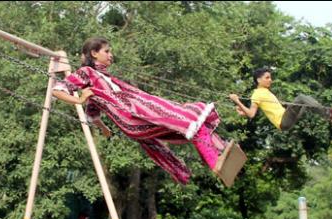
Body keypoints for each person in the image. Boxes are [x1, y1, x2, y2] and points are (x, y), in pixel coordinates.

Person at [53, 37, 237, 186]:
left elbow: (94, 109)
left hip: (133, 120)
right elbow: (58, 88)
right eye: (107, 51)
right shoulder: (86, 72)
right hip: (133, 117)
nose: (111, 55)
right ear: (94, 53)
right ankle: (215, 160)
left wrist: (103, 128)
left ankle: (218, 154)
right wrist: (78, 99)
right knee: (188, 116)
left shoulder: (101, 80)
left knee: (193, 123)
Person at [229, 68, 332, 131]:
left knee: (307, 101)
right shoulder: (256, 94)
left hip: (287, 118)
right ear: (258, 80)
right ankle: (329, 114)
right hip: (283, 122)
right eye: (267, 78)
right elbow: (252, 114)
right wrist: (237, 100)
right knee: (301, 98)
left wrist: (243, 112)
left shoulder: (265, 92)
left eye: (270, 77)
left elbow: (250, 112)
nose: (270, 80)